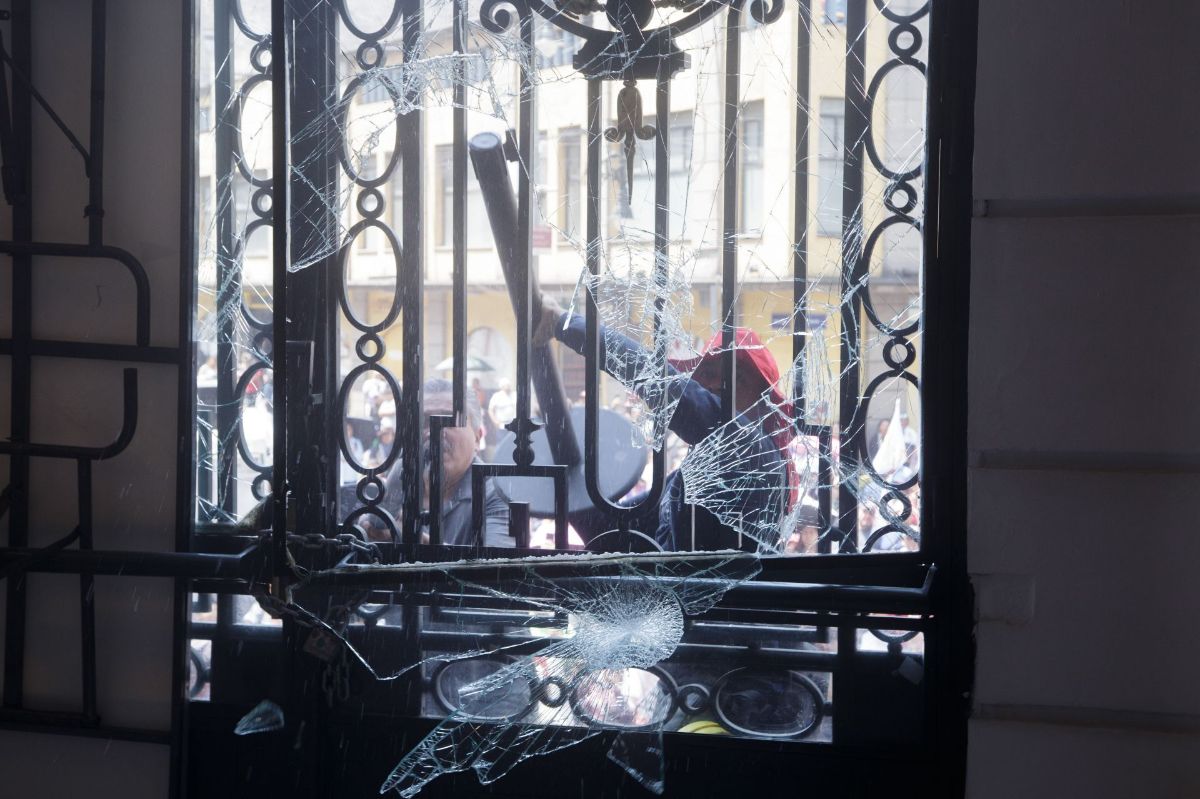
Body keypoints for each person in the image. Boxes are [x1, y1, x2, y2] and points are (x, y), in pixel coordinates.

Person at [533, 295, 794, 552]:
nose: (716, 386)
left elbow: (665, 385)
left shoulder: (758, 452)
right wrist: (566, 452)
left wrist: (565, 324)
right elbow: (620, 528)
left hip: (726, 596)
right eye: (707, 375)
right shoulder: (690, 470)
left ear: (764, 403)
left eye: (737, 380)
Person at [375, 378, 511, 548]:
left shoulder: (497, 493)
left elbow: (496, 569)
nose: (435, 431)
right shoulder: (402, 474)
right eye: (424, 421)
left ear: (477, 437)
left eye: (450, 420)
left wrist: (419, 543)